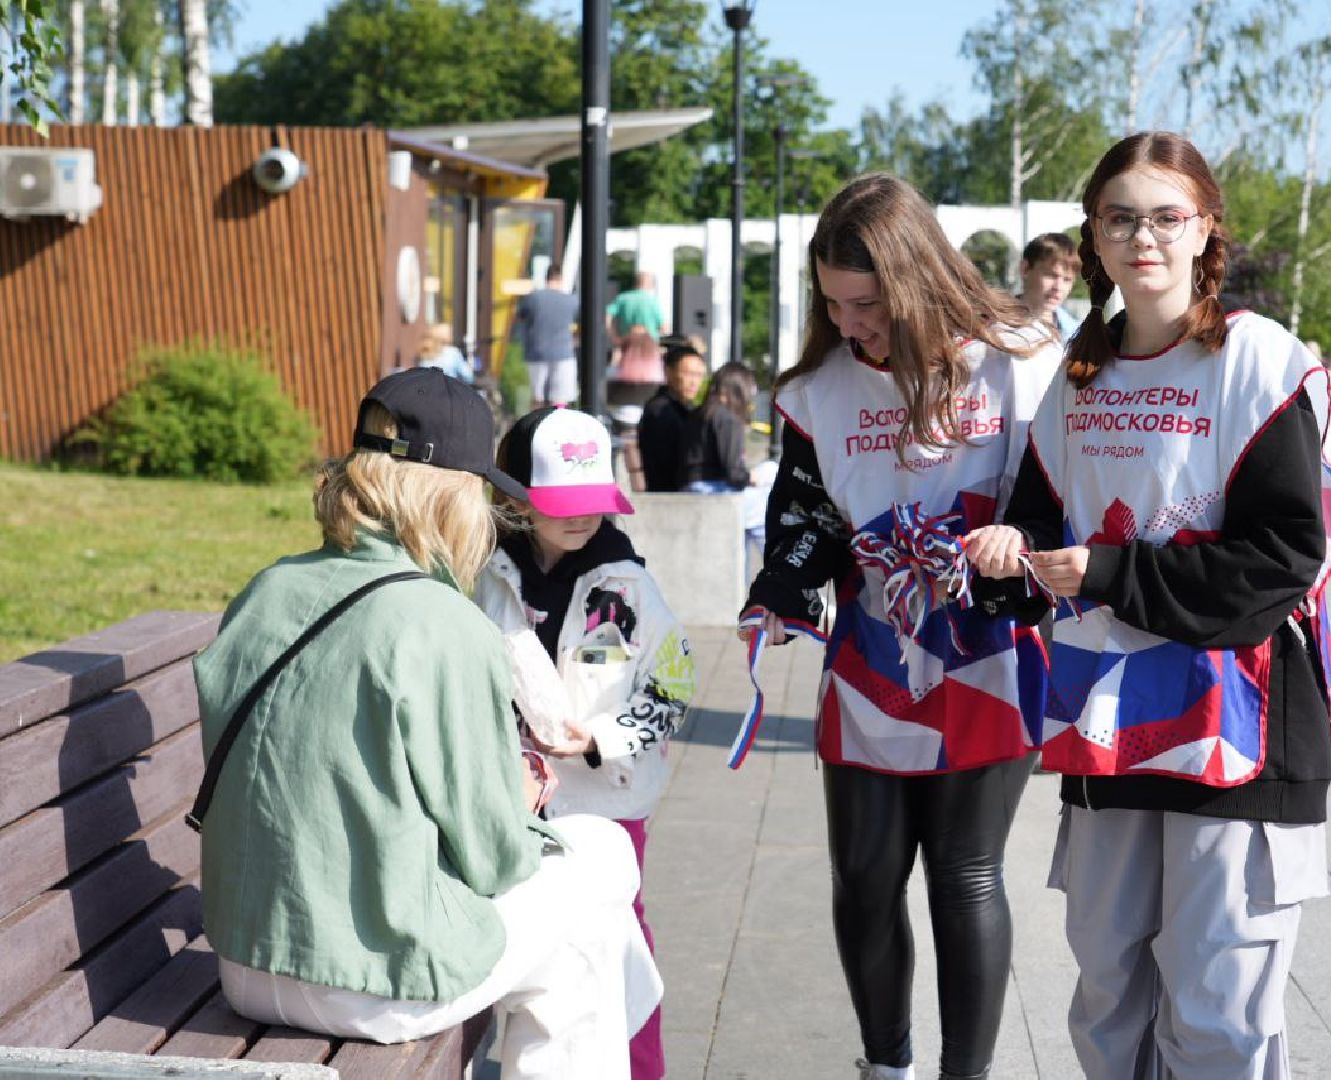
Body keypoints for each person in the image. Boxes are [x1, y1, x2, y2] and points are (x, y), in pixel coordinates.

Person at [965, 131, 1331, 1079]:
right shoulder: (1074, 377)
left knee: (1218, 1020)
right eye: (1119, 218)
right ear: (1093, 241)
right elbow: (1036, 527)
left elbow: (1281, 563)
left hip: (1243, 730)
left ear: (1203, 231)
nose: (1142, 237)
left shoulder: (1257, 358)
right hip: (1108, 729)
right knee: (1107, 1005)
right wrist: (1004, 557)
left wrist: (1103, 574)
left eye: (1164, 217)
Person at [191, 368, 661, 1079]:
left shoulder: (267, 589)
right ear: (455, 494)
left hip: (244, 957)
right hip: (371, 979)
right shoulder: (443, 622)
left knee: (580, 945)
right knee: (600, 862)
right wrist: (522, 802)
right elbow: (496, 857)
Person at [740, 173, 1061, 1080]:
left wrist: (1014, 551)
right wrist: (778, 592)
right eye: (832, 303)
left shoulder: (1019, 359)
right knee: (865, 878)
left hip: (990, 653)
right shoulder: (816, 391)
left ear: (917, 279)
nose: (848, 324)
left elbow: (1054, 497)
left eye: (866, 303)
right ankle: (886, 1068)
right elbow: (802, 515)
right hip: (871, 659)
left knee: (964, 875)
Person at [474, 405, 693, 1080]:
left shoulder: (627, 585)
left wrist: (600, 740)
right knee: (523, 940)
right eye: (560, 503)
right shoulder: (488, 577)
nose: (580, 518)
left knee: (618, 942)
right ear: (514, 499)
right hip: (511, 798)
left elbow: (674, 688)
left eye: (593, 502)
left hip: (608, 803)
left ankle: (639, 1069)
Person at [637, 338, 708, 492]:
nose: (694, 382)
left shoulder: (680, 408)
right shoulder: (660, 411)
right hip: (670, 496)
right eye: (688, 373)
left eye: (699, 375)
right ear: (668, 372)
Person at [681, 361, 756, 493]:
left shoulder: (697, 413)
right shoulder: (728, 419)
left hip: (687, 487)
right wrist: (751, 478)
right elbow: (734, 473)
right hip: (714, 490)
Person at [512, 265, 580, 408]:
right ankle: (557, 425)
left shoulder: (533, 298)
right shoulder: (571, 300)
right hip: (563, 352)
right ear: (560, 279)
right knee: (560, 398)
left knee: (537, 396)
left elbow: (519, 318)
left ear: (546, 278)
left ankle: (536, 424)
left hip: (537, 352)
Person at [608, 271, 672, 385]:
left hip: (626, 347)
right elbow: (664, 328)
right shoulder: (652, 301)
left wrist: (614, 337)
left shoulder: (622, 298)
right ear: (650, 284)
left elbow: (607, 316)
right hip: (649, 348)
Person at [1018, 232, 1081, 344]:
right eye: (1051, 276)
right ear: (1025, 269)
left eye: (1067, 280)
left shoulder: (1079, 336)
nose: (1058, 287)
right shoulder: (992, 326)